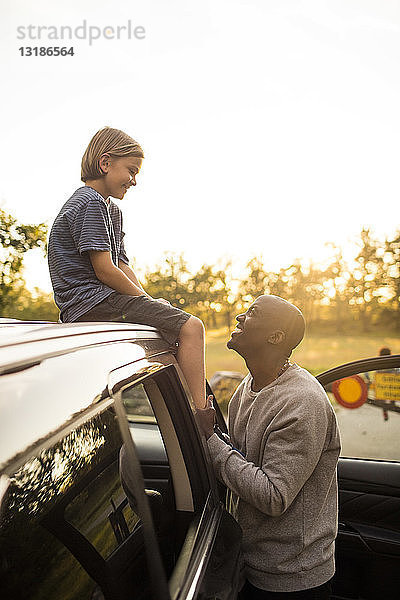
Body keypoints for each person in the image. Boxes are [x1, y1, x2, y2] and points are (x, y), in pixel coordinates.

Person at [48, 126, 207, 409]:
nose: (134, 181)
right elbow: (106, 271)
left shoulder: (110, 209)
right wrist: (144, 301)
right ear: (105, 163)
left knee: (167, 326)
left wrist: (148, 299)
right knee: (192, 328)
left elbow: (121, 264)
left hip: (103, 299)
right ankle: (200, 415)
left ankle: (175, 406)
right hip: (91, 303)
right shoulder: (89, 203)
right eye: (131, 171)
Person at [196, 295, 341, 599]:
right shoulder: (244, 389)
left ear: (275, 337)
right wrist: (214, 439)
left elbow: (274, 496)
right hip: (250, 563)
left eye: (252, 313)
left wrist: (210, 441)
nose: (239, 318)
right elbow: (243, 462)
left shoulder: (301, 402)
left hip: (293, 580)